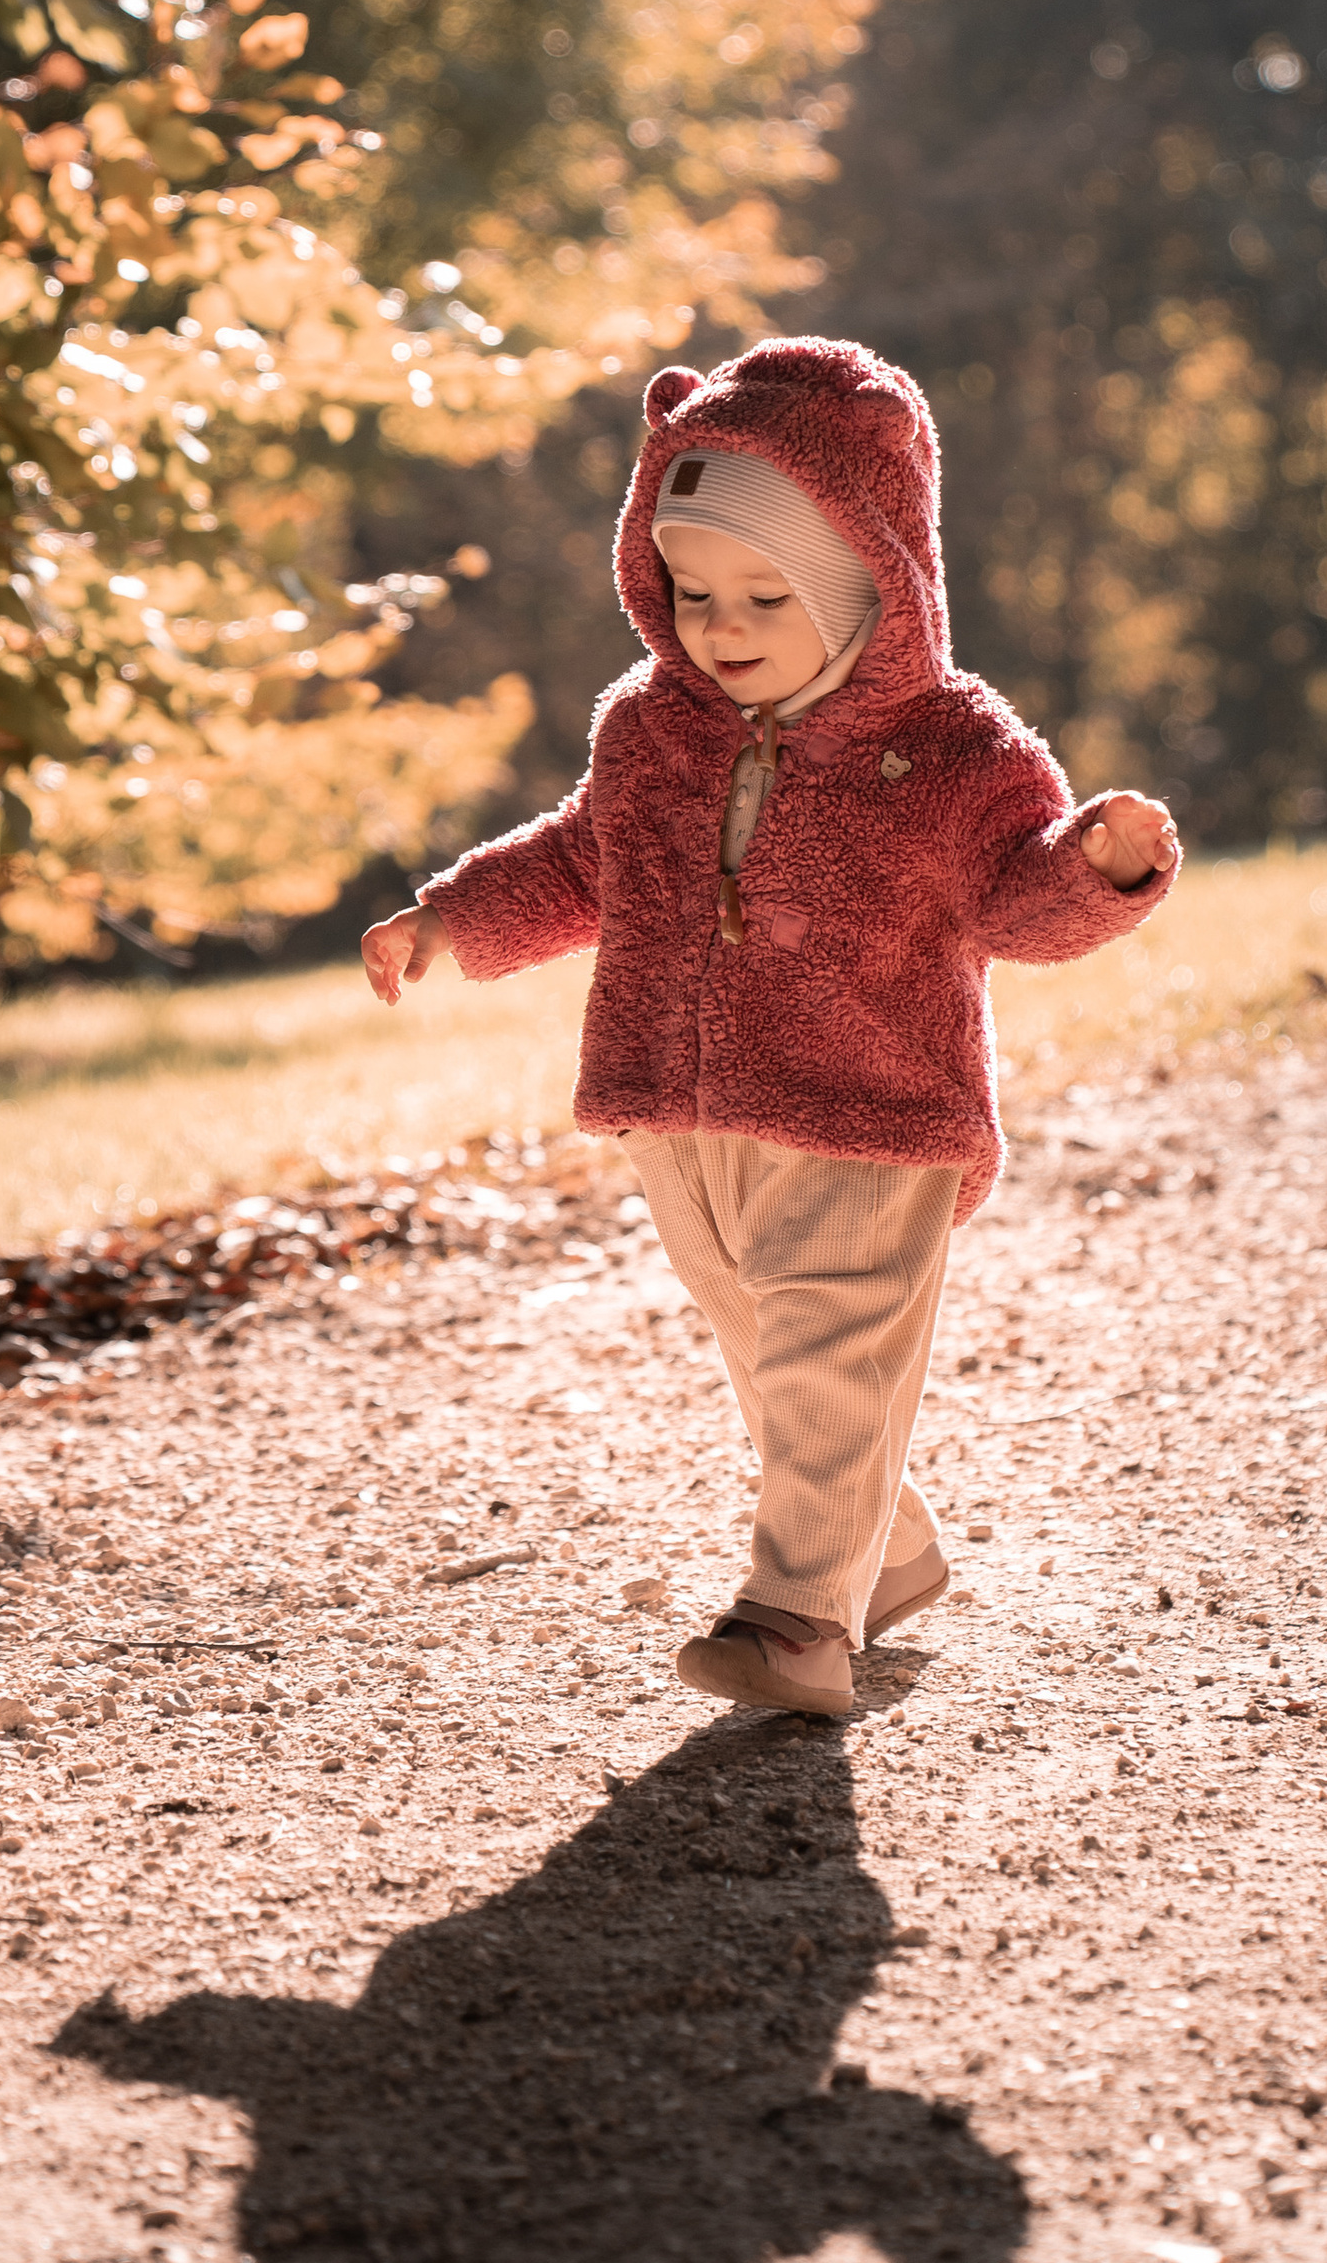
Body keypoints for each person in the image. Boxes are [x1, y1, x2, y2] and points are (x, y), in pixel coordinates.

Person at [361, 337, 1178, 1719]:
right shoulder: (652, 729)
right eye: (690, 589)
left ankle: (799, 1621)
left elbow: (1010, 897)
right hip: (682, 1111)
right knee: (771, 1345)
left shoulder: (950, 747)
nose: (719, 624)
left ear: (875, 578)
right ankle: (890, 1550)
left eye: (766, 591)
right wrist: (455, 918)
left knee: (821, 1344)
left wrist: (1093, 869)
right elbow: (581, 861)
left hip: (871, 1106)